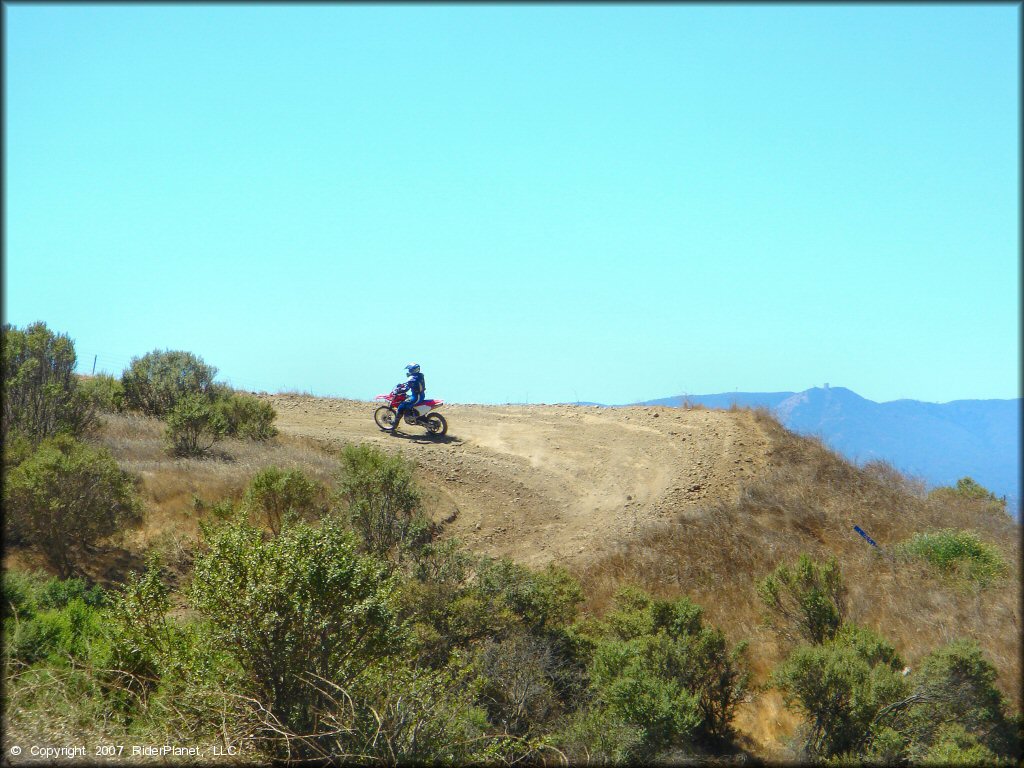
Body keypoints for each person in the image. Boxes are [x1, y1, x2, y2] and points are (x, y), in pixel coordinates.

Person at [390, 363, 425, 434]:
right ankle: (410, 414)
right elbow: (409, 384)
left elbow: (407, 388)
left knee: (401, 405)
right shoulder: (420, 375)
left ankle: (396, 424)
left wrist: (400, 390)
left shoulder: (413, 378)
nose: (409, 371)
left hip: (416, 396)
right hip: (420, 395)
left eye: (410, 370)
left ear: (413, 370)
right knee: (407, 400)